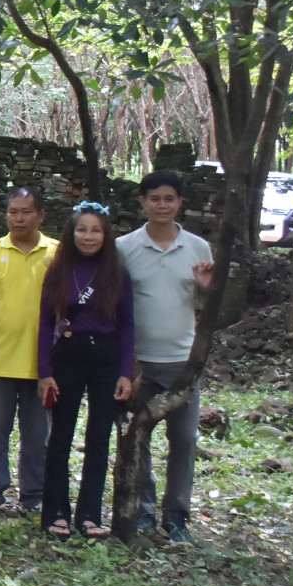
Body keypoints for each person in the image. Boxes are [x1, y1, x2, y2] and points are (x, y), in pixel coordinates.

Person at [116, 170, 215, 544]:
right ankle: (143, 513)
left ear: (180, 203)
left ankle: (177, 517)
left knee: (185, 440)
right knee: (136, 437)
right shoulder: (125, 247)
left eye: (169, 199)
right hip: (138, 363)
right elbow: (115, 305)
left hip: (182, 363)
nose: (162, 205)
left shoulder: (197, 248)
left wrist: (206, 289)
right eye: (154, 198)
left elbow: (205, 309)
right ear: (142, 202)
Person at [37, 202, 136, 539]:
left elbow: (127, 325)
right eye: (82, 229)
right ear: (71, 233)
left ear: (106, 234)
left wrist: (126, 372)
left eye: (95, 230)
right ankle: (56, 512)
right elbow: (45, 322)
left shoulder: (116, 272)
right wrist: (44, 371)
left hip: (106, 357)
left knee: (99, 437)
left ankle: (90, 513)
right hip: (68, 354)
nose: (88, 236)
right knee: (60, 436)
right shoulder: (58, 269)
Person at [0, 187, 56, 517]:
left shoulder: (56, 254)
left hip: (41, 366)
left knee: (38, 436)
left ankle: (33, 496)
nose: (18, 218)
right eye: (13, 211)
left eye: (26, 211)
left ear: (41, 216)